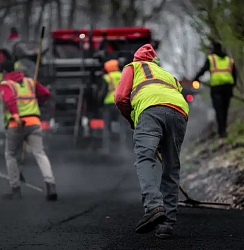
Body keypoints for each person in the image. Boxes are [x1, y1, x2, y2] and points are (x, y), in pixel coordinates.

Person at [114, 44, 189, 239]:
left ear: (137, 59)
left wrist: (132, 119)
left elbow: (121, 97)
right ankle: (167, 225)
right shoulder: (167, 74)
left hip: (149, 111)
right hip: (179, 111)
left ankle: (154, 206)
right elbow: (178, 92)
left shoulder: (133, 67)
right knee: (171, 166)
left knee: (145, 158)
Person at [0, 60, 57, 201]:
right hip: (34, 122)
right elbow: (45, 94)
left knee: (10, 154)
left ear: (5, 72)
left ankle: (16, 189)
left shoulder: (6, 84)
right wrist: (38, 102)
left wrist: (14, 114)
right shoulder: (30, 82)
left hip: (16, 124)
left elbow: (9, 100)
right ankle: (51, 186)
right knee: (40, 153)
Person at [193, 41, 236, 138]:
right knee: (225, 110)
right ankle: (223, 130)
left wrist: (195, 78)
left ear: (213, 48)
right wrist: (232, 87)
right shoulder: (229, 60)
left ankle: (222, 131)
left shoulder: (211, 59)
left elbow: (203, 70)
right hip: (227, 88)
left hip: (217, 89)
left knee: (219, 110)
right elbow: (234, 75)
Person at [101, 59, 123, 154]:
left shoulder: (107, 78)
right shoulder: (124, 75)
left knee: (107, 127)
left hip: (109, 104)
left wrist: (99, 103)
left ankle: (107, 148)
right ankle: (123, 147)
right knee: (123, 127)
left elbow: (102, 92)